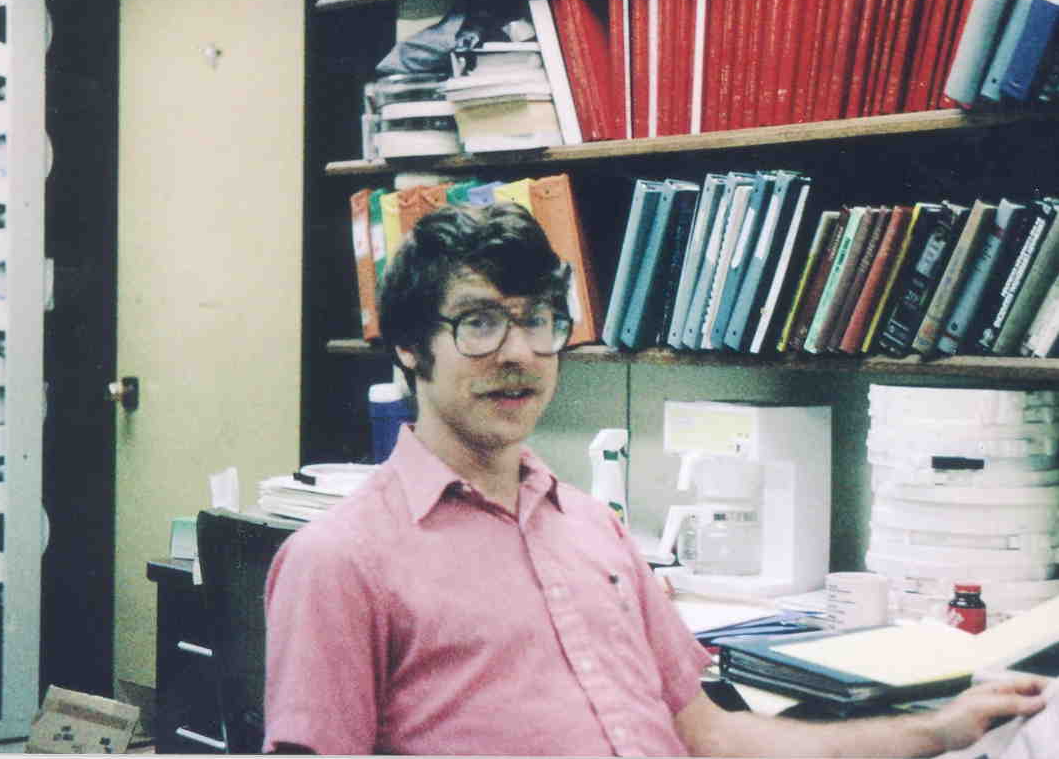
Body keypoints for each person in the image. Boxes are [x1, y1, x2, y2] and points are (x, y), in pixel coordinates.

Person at [263, 202, 1048, 756]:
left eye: (538, 320)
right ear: (408, 346)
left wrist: (938, 731)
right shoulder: (340, 560)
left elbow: (713, 737)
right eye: (479, 322)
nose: (519, 352)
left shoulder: (591, 529)